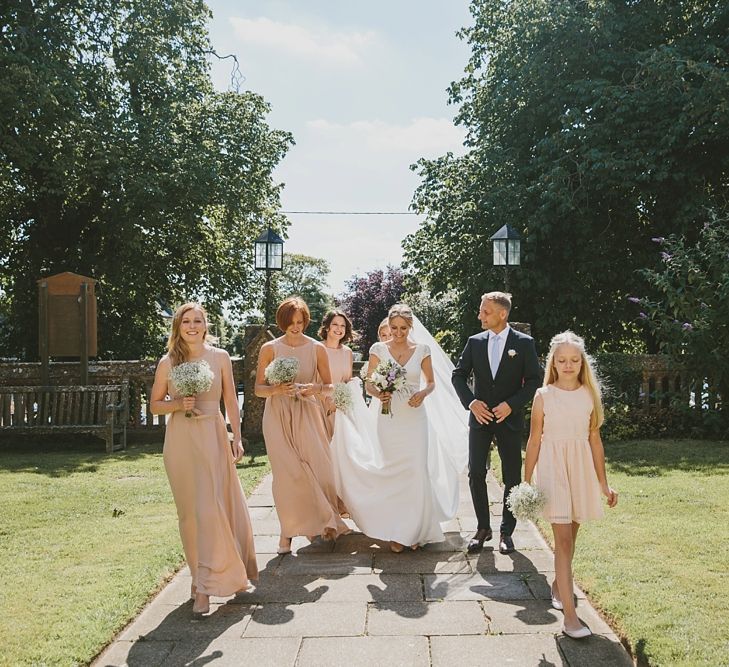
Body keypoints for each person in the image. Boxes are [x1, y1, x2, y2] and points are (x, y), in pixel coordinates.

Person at [330, 303, 468, 552]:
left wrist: (423, 394)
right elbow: (369, 382)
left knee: (416, 472)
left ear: (410, 327)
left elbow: (431, 383)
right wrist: (378, 392)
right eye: (394, 328)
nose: (398, 332)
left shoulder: (422, 349)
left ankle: (412, 532)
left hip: (415, 418)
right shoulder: (378, 349)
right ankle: (396, 528)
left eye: (403, 328)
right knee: (393, 471)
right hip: (388, 419)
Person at [150, 302, 257, 616]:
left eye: (198, 321)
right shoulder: (167, 362)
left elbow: (230, 401)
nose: (192, 326)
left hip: (212, 435)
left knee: (211, 509)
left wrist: (236, 436)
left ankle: (213, 582)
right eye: (186, 322)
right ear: (178, 327)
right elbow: (155, 405)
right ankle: (198, 581)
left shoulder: (220, 357)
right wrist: (177, 404)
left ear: (206, 325)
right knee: (189, 515)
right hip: (180, 441)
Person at [523, 331, 618, 639]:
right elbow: (534, 439)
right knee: (562, 542)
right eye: (562, 360)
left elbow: (595, 439)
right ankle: (571, 618)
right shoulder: (543, 396)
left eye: (574, 360)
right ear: (554, 362)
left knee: (571, 539)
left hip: (580, 470)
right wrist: (526, 482)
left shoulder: (589, 395)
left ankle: (556, 584)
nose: (568, 365)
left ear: (582, 363)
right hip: (552, 469)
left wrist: (604, 484)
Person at [255, 297, 349, 555]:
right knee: (287, 474)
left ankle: (321, 521)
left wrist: (314, 388)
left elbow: (330, 386)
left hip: (308, 413)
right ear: (282, 322)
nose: (296, 327)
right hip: (277, 415)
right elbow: (258, 389)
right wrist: (276, 389)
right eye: (290, 323)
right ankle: (286, 533)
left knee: (318, 469)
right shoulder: (269, 348)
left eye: (300, 322)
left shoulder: (316, 348)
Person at [452, 291, 541, 554]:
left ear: (503, 314)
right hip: (480, 419)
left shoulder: (524, 343)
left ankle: (506, 532)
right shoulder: (474, 342)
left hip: (509, 419)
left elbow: (534, 381)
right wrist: (471, 402)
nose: (480, 315)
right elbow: (458, 376)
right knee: (476, 472)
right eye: (481, 310)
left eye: (485, 311)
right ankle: (482, 528)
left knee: (511, 475)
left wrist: (511, 404)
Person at [318, 309, 356, 438]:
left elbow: (347, 381)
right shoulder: (316, 349)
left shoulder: (348, 352)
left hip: (340, 407)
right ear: (327, 327)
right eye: (335, 324)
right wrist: (327, 401)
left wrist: (339, 402)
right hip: (319, 405)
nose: (339, 328)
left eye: (343, 325)